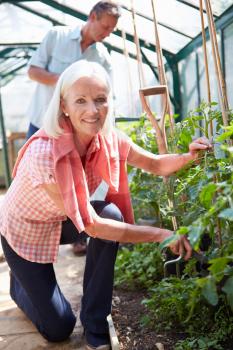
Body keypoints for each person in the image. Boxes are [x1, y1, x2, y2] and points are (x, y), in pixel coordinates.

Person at [0, 60, 211, 350]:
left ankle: (95, 322)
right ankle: (19, 285)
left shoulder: (109, 139)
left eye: (100, 99)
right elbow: (92, 225)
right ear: (64, 105)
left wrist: (189, 157)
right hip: (25, 230)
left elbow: (155, 163)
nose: (93, 110)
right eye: (81, 101)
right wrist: (161, 235)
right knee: (58, 328)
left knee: (111, 212)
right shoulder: (45, 153)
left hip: (65, 217)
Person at [26, 0, 121, 255]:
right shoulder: (56, 36)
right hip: (42, 124)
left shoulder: (102, 56)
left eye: (111, 30)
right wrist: (68, 85)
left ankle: (79, 234)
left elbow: (109, 94)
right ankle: (26, 240)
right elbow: (33, 71)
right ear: (91, 17)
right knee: (35, 183)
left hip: (76, 130)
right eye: (104, 26)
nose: (106, 34)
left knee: (80, 182)